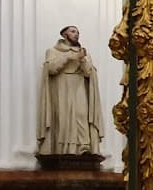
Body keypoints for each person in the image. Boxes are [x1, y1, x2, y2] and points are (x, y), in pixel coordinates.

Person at [37, 25, 104, 157]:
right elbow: (50, 69)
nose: (76, 34)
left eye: (78, 32)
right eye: (73, 31)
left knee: (81, 114)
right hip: (61, 87)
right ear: (64, 34)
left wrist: (82, 59)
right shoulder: (53, 51)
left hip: (79, 86)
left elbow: (89, 72)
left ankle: (83, 147)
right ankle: (62, 150)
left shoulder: (84, 53)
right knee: (63, 118)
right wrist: (67, 57)